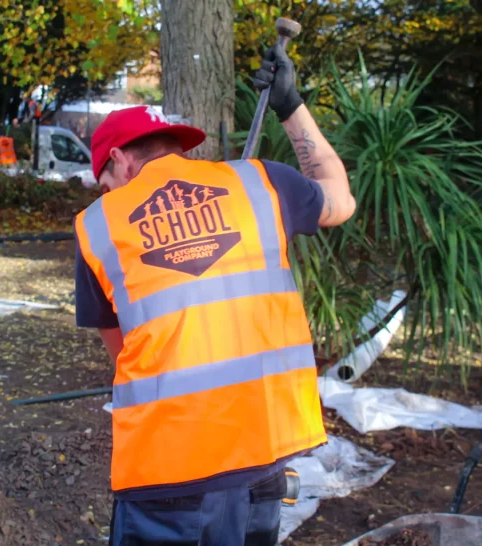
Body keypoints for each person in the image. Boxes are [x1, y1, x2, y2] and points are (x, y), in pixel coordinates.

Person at [73, 42, 356, 546]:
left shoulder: (98, 226)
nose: (107, 194)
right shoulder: (261, 183)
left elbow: (124, 355)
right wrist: (291, 106)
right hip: (261, 459)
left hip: (163, 473)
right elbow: (340, 196)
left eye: (106, 182)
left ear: (117, 159)